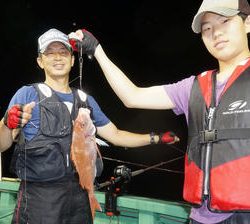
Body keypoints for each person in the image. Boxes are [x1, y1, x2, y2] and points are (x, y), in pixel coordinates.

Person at [69, 0, 250, 223]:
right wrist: (97, 51)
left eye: (225, 21)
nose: (216, 33)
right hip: (199, 217)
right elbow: (132, 97)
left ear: (247, 22)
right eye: (207, 29)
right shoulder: (192, 87)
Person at [0, 28, 179, 224]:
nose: (58, 58)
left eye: (64, 52)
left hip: (81, 200)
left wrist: (157, 138)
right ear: (40, 61)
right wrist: (7, 124)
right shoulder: (27, 95)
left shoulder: (86, 101)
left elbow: (116, 135)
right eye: (50, 53)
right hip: (38, 202)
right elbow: (2, 145)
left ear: (73, 59)